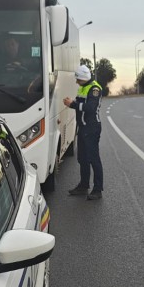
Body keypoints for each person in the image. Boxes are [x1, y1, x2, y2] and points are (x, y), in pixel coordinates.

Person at [63, 64, 103, 200]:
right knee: (82, 158)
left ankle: (98, 189)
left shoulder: (94, 88)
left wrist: (72, 104)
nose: (76, 81)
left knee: (94, 159)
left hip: (91, 128)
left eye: (77, 79)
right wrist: (73, 102)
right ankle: (83, 186)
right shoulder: (83, 88)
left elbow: (90, 108)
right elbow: (82, 104)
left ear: (83, 78)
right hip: (83, 128)